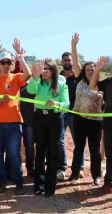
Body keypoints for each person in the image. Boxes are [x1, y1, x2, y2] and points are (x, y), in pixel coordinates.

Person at [0, 39, 31, 195]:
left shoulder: (16, 77)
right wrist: (2, 100)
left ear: (12, 64)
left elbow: (29, 74)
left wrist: (21, 57)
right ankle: (1, 183)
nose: (6, 64)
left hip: (14, 122)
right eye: (3, 62)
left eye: (9, 62)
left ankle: (18, 182)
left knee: (14, 154)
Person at [27, 59, 69, 197]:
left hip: (55, 119)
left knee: (53, 152)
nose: (44, 71)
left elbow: (66, 104)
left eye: (47, 69)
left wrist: (56, 103)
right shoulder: (37, 81)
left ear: (53, 70)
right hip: (39, 118)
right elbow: (30, 90)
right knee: (39, 151)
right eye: (42, 69)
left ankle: (50, 187)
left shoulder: (61, 84)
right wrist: (35, 76)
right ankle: (38, 185)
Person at [69, 33, 103, 185]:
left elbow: (92, 86)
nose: (89, 71)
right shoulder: (80, 79)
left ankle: (96, 176)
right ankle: (75, 173)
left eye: (92, 69)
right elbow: (76, 63)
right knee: (79, 147)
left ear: (96, 71)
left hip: (94, 121)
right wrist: (74, 46)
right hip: (79, 118)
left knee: (94, 150)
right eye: (88, 69)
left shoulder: (99, 85)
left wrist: (96, 70)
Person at [58, 51, 82, 180]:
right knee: (59, 140)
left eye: (69, 60)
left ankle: (80, 167)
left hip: (75, 113)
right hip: (61, 113)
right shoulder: (59, 76)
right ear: (62, 62)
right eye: (65, 60)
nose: (67, 62)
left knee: (78, 142)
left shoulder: (78, 75)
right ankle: (62, 168)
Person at [89, 56, 111, 192]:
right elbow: (92, 86)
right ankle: (109, 180)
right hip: (109, 124)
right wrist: (97, 69)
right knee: (110, 153)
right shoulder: (108, 82)